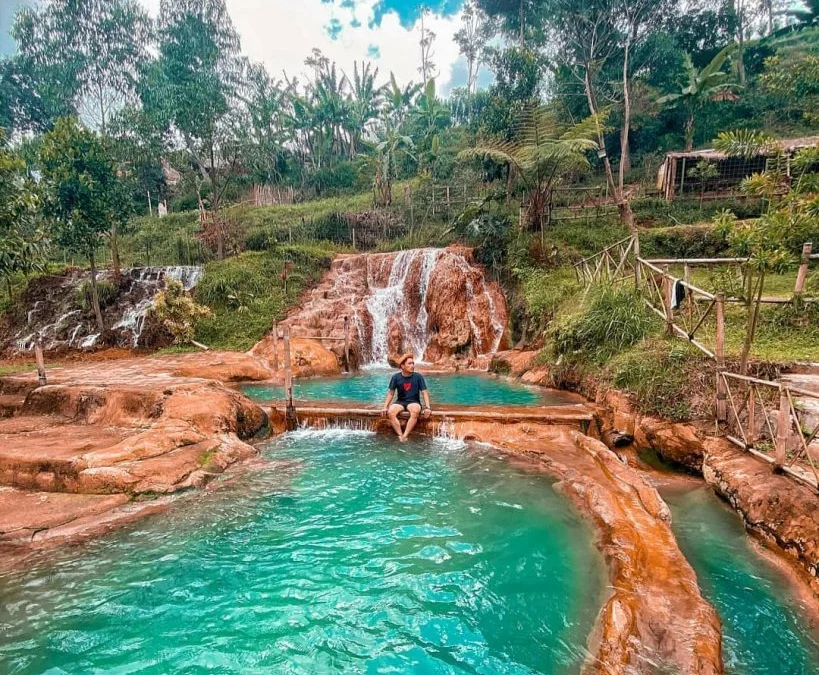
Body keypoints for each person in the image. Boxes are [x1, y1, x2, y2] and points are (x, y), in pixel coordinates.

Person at [381, 353, 432, 442]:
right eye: (409, 363)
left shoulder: (418, 377)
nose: (412, 366)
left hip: (414, 402)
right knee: (391, 412)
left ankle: (405, 435)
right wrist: (385, 407)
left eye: (413, 363)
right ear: (402, 366)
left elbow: (424, 393)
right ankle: (400, 435)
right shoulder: (395, 377)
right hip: (400, 402)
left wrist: (428, 407)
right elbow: (391, 393)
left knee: (415, 411)